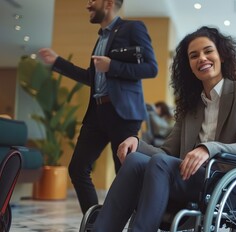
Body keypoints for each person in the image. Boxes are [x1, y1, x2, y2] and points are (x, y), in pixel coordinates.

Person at [87, 26, 236, 232]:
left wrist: (208, 149)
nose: (202, 58)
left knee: (160, 163)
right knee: (135, 161)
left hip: (223, 181)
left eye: (208, 51)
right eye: (194, 55)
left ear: (222, 55)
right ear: (189, 65)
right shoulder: (191, 106)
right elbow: (166, 151)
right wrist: (136, 143)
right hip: (188, 177)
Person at [38, 0, 158, 214]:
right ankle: (94, 226)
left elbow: (151, 68)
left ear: (109, 3)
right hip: (96, 112)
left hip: (124, 113)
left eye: (93, 0)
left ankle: (141, 227)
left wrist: (112, 66)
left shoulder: (132, 27)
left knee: (126, 174)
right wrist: (57, 62)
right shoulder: (101, 38)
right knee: (77, 168)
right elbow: (90, 77)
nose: (88, 4)